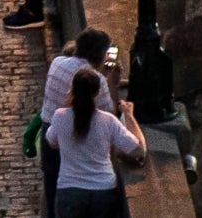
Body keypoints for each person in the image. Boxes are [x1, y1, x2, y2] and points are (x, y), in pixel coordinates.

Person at [48, 68, 146, 217]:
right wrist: (128, 114)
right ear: (97, 93)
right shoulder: (108, 120)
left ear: (72, 89)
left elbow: (52, 142)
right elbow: (139, 150)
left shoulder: (60, 116)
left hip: (69, 191)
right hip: (103, 191)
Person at [41, 29, 119, 213]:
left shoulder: (57, 63)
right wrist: (111, 81)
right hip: (74, 139)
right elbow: (109, 114)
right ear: (101, 55)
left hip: (49, 131)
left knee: (52, 191)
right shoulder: (98, 80)